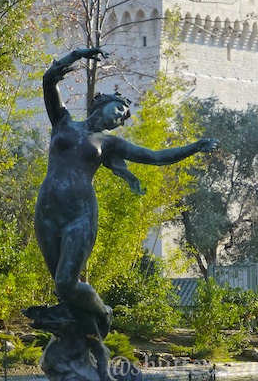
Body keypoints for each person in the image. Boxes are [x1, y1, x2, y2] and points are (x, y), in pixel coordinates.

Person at [34, 48, 218, 333]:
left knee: (65, 283)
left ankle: (103, 312)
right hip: (47, 210)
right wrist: (77, 55)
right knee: (63, 291)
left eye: (124, 117)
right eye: (119, 109)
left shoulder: (109, 143)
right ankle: (80, 337)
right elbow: (49, 81)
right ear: (103, 103)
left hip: (80, 215)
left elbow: (156, 156)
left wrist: (194, 147)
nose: (121, 117)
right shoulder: (63, 122)